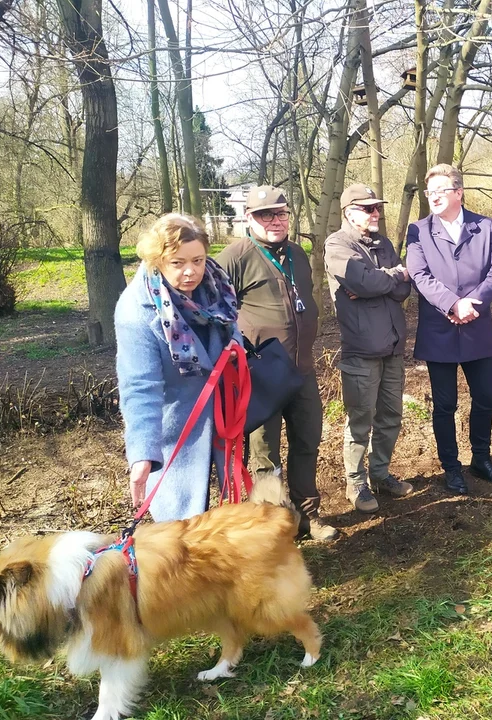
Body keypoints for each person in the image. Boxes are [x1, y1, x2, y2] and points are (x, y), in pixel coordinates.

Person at [217, 186, 337, 541]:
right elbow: (216, 313)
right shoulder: (234, 257)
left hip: (302, 370)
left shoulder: (297, 254)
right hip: (262, 376)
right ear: (249, 219)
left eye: (281, 213)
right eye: (265, 215)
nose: (275, 220)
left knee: (307, 442)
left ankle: (306, 517)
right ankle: (272, 527)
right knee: (264, 455)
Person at [115, 213, 241, 521]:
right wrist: (143, 454)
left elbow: (229, 323)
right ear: (157, 259)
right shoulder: (136, 310)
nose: (191, 271)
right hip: (178, 428)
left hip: (223, 414)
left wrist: (236, 344)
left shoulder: (214, 284)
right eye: (177, 262)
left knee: (232, 511)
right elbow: (140, 386)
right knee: (180, 527)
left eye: (198, 260)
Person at [406, 164, 492, 494]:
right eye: (429, 193)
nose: (433, 197)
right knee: (445, 404)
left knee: (486, 398)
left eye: (440, 191)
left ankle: (481, 458)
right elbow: (419, 275)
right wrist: (453, 304)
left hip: (476, 326)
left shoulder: (485, 226)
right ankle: (451, 467)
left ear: (458, 192)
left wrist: (471, 304)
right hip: (440, 329)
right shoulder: (418, 231)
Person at [325, 183, 414, 512]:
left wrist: (379, 281)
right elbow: (364, 282)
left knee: (391, 416)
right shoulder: (337, 244)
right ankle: (356, 484)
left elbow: (403, 289)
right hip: (361, 351)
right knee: (361, 420)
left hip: (392, 347)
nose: (376, 213)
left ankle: (380, 475)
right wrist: (386, 278)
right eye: (368, 208)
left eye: (377, 207)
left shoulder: (384, 243)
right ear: (349, 212)